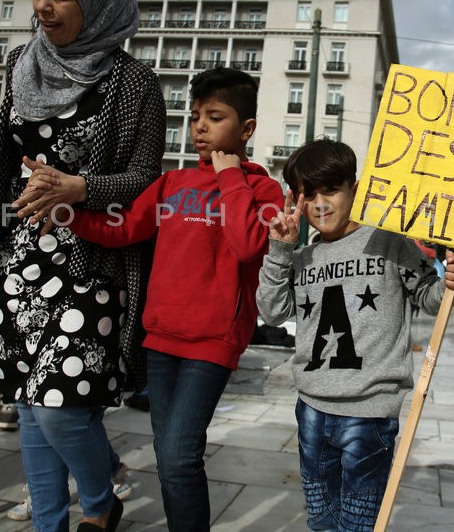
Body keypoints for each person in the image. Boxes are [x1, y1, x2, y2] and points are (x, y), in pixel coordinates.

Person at [0, 0, 166, 532]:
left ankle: (101, 503)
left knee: (62, 414)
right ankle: (49, 524)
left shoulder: (133, 82)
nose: (42, 7)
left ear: (96, 0)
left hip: (86, 265)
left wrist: (82, 189)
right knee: (29, 409)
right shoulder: (21, 65)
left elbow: (146, 176)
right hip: (18, 259)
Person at [47, 66, 281, 531]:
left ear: (247, 128)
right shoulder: (172, 184)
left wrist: (230, 176)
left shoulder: (263, 190)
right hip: (160, 339)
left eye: (215, 117)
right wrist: (63, 210)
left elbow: (249, 245)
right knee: (169, 456)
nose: (200, 127)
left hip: (212, 341)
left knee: (178, 456)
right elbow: (122, 227)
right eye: (195, 116)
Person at [256, 138, 454, 531]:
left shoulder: (388, 242)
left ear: (354, 189)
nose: (321, 203)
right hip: (311, 408)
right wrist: (279, 251)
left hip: (369, 411)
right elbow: (272, 312)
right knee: (321, 518)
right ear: (296, 200)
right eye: (310, 194)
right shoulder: (301, 255)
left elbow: (429, 297)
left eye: (331, 190)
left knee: (359, 522)